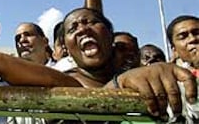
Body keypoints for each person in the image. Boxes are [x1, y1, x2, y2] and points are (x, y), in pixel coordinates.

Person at [62, 7, 197, 119]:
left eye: (91, 22)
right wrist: (118, 84)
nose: (82, 29)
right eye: (72, 29)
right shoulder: (63, 81)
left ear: (111, 36)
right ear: (67, 49)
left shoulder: (142, 76)